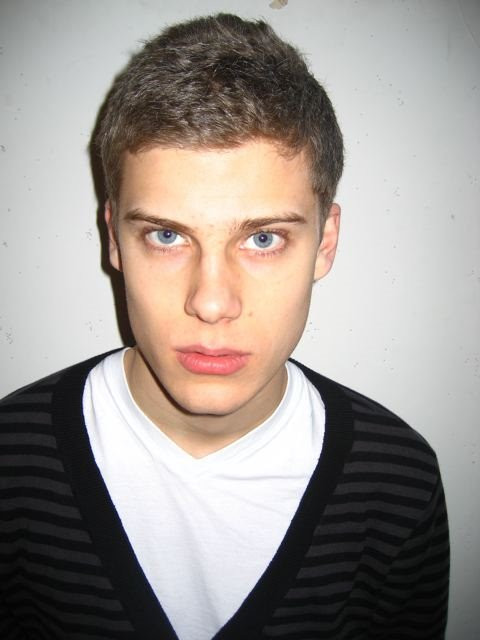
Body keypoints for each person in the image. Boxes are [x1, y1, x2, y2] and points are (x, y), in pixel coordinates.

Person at [0, 13, 449, 640]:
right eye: (166, 235)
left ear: (325, 242)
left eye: (263, 238)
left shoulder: (398, 481)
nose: (211, 304)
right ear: (114, 239)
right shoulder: (12, 463)